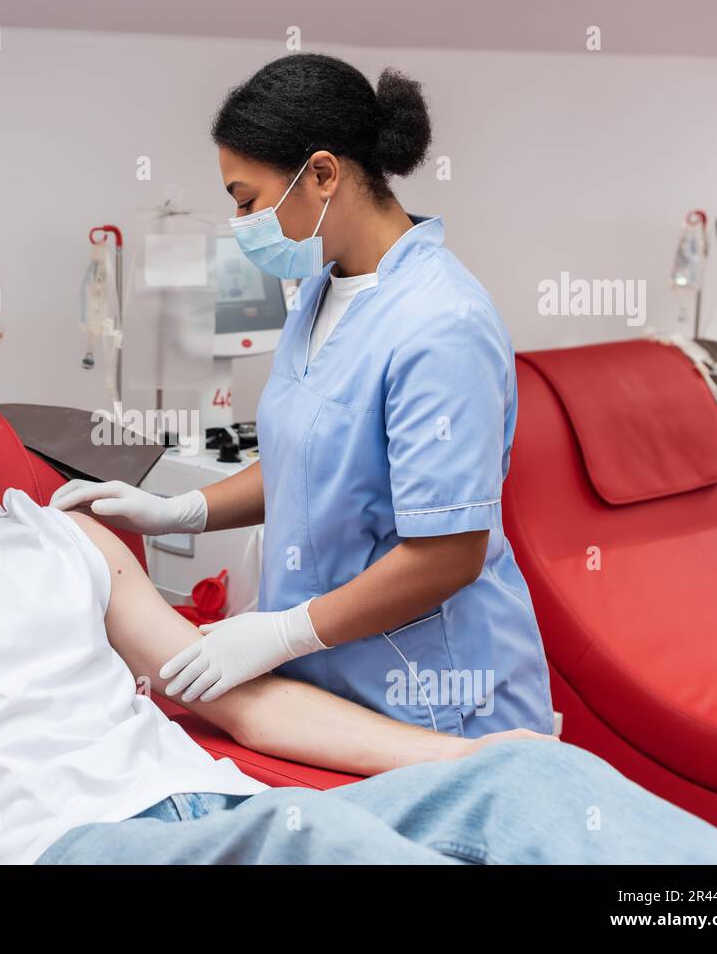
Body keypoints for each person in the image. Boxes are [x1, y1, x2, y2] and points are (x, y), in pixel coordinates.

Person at [0, 258, 717, 866]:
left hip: (211, 810)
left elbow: (247, 708)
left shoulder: (55, 532)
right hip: (51, 850)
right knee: (316, 847)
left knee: (537, 781)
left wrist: (468, 762)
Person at [53, 54, 550, 739]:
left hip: (434, 695)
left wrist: (283, 632)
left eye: (246, 199)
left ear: (321, 174)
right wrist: (176, 511)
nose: (240, 222)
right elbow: (310, 460)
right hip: (328, 687)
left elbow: (448, 553)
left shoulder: (442, 322)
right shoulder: (320, 290)